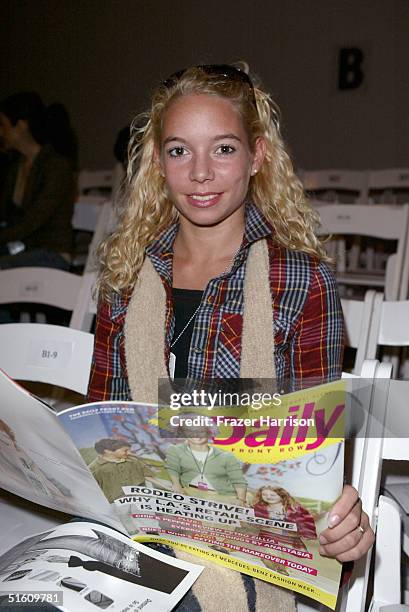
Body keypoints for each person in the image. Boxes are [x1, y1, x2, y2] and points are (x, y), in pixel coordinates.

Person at [87, 64, 374, 611]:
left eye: (222, 149)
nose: (199, 173)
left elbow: (315, 454)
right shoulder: (125, 278)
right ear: (157, 161)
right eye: (178, 151)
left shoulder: (298, 280)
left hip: (244, 539)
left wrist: (342, 522)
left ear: (257, 156)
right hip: (135, 526)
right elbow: (101, 424)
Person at [0, 92, 76, 270]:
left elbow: (33, 221)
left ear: (20, 125)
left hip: (51, 254)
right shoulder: (15, 166)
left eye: (3, 126)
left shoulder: (56, 166)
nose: (0, 133)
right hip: (21, 250)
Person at [165, 426, 247, 503]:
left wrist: (241, 500)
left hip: (221, 497)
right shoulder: (175, 450)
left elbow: (238, 481)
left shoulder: (226, 456)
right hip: (190, 493)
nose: (196, 435)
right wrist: (176, 484)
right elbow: (172, 468)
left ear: (209, 433)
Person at [89, 438, 162, 503]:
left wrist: (168, 488)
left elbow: (148, 476)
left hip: (141, 500)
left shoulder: (133, 461)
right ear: (108, 451)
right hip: (116, 505)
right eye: (125, 450)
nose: (129, 453)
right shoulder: (93, 468)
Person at [252, 485, 316, 551]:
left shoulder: (294, 509)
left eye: (273, 495)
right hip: (267, 537)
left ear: (282, 495)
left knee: (298, 554)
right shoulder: (260, 507)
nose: (268, 497)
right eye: (264, 494)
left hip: (289, 540)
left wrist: (307, 533)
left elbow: (306, 521)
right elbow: (254, 520)